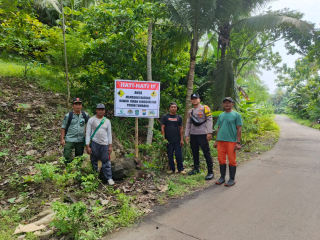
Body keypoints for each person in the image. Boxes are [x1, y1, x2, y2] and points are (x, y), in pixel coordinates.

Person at [214, 97, 242, 187]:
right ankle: (222, 178)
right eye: (225, 102)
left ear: (232, 104)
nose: (227, 104)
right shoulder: (221, 115)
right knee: (221, 159)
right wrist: (216, 141)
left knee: (232, 160)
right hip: (221, 141)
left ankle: (232, 179)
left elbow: (239, 128)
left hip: (231, 141)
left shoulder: (236, 115)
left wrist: (238, 142)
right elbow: (218, 128)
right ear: (223, 104)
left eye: (229, 102)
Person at [185, 93, 214, 180]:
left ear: (199, 99)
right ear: (191, 100)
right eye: (193, 99)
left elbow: (209, 120)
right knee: (195, 152)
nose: (194, 100)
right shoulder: (190, 111)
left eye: (196, 98)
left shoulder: (205, 108)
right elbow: (188, 123)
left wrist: (209, 132)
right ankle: (196, 168)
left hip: (203, 134)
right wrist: (187, 135)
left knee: (206, 152)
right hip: (193, 134)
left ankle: (210, 171)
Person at [86, 103, 114, 185]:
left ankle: (109, 178)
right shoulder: (91, 120)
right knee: (94, 161)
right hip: (94, 142)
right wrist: (87, 146)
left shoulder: (107, 121)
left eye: (102, 109)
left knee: (106, 161)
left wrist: (110, 146)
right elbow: (88, 133)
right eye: (99, 109)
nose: (100, 111)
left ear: (104, 111)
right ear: (96, 110)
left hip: (105, 144)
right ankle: (95, 178)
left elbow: (109, 134)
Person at [60, 98, 89, 165]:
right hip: (70, 138)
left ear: (81, 106)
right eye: (76, 104)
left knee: (79, 157)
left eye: (79, 104)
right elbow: (63, 127)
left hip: (80, 139)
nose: (78, 106)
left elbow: (90, 124)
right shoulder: (68, 115)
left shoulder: (85, 115)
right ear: (73, 105)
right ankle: (69, 170)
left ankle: (77, 172)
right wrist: (62, 139)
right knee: (66, 156)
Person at [161, 102, 186, 175]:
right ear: (169, 108)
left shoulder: (179, 117)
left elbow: (181, 128)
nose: (173, 108)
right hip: (168, 140)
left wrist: (181, 139)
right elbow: (162, 127)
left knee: (179, 155)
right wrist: (163, 138)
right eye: (172, 107)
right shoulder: (165, 117)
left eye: (175, 107)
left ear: (176, 108)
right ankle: (172, 169)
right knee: (170, 155)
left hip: (177, 140)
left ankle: (180, 169)